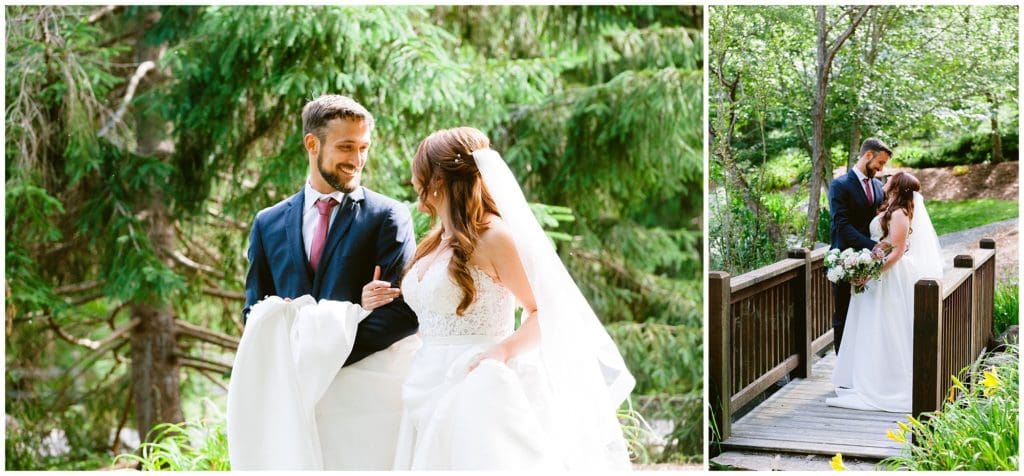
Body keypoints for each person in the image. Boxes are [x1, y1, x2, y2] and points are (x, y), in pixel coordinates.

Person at [361, 127, 635, 469]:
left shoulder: (493, 237)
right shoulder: (434, 241)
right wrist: (374, 298)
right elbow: (430, 310)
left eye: (420, 171)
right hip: (424, 379)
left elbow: (546, 312)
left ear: (438, 179)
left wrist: (501, 352)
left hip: (477, 383)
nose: (414, 179)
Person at [229, 95, 420, 470]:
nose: (357, 159)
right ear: (312, 144)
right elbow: (255, 309)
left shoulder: (388, 217)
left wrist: (319, 355)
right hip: (294, 402)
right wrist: (291, 366)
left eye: (364, 147)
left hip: (363, 401)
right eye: (346, 146)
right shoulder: (267, 223)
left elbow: (405, 312)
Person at [827, 172, 943, 412]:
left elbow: (898, 251)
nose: (886, 179)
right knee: (870, 326)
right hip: (878, 272)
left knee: (885, 326)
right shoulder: (890, 208)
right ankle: (865, 376)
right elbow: (884, 243)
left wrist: (872, 272)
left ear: (898, 186)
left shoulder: (900, 213)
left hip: (888, 277)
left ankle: (885, 383)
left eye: (891, 178)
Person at [827, 138, 891, 353]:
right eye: (880, 163)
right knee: (844, 314)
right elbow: (841, 225)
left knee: (867, 316)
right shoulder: (840, 185)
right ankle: (842, 372)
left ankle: (862, 366)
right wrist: (873, 246)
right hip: (846, 260)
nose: (881, 168)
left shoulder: (878, 186)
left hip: (873, 264)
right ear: (867, 155)